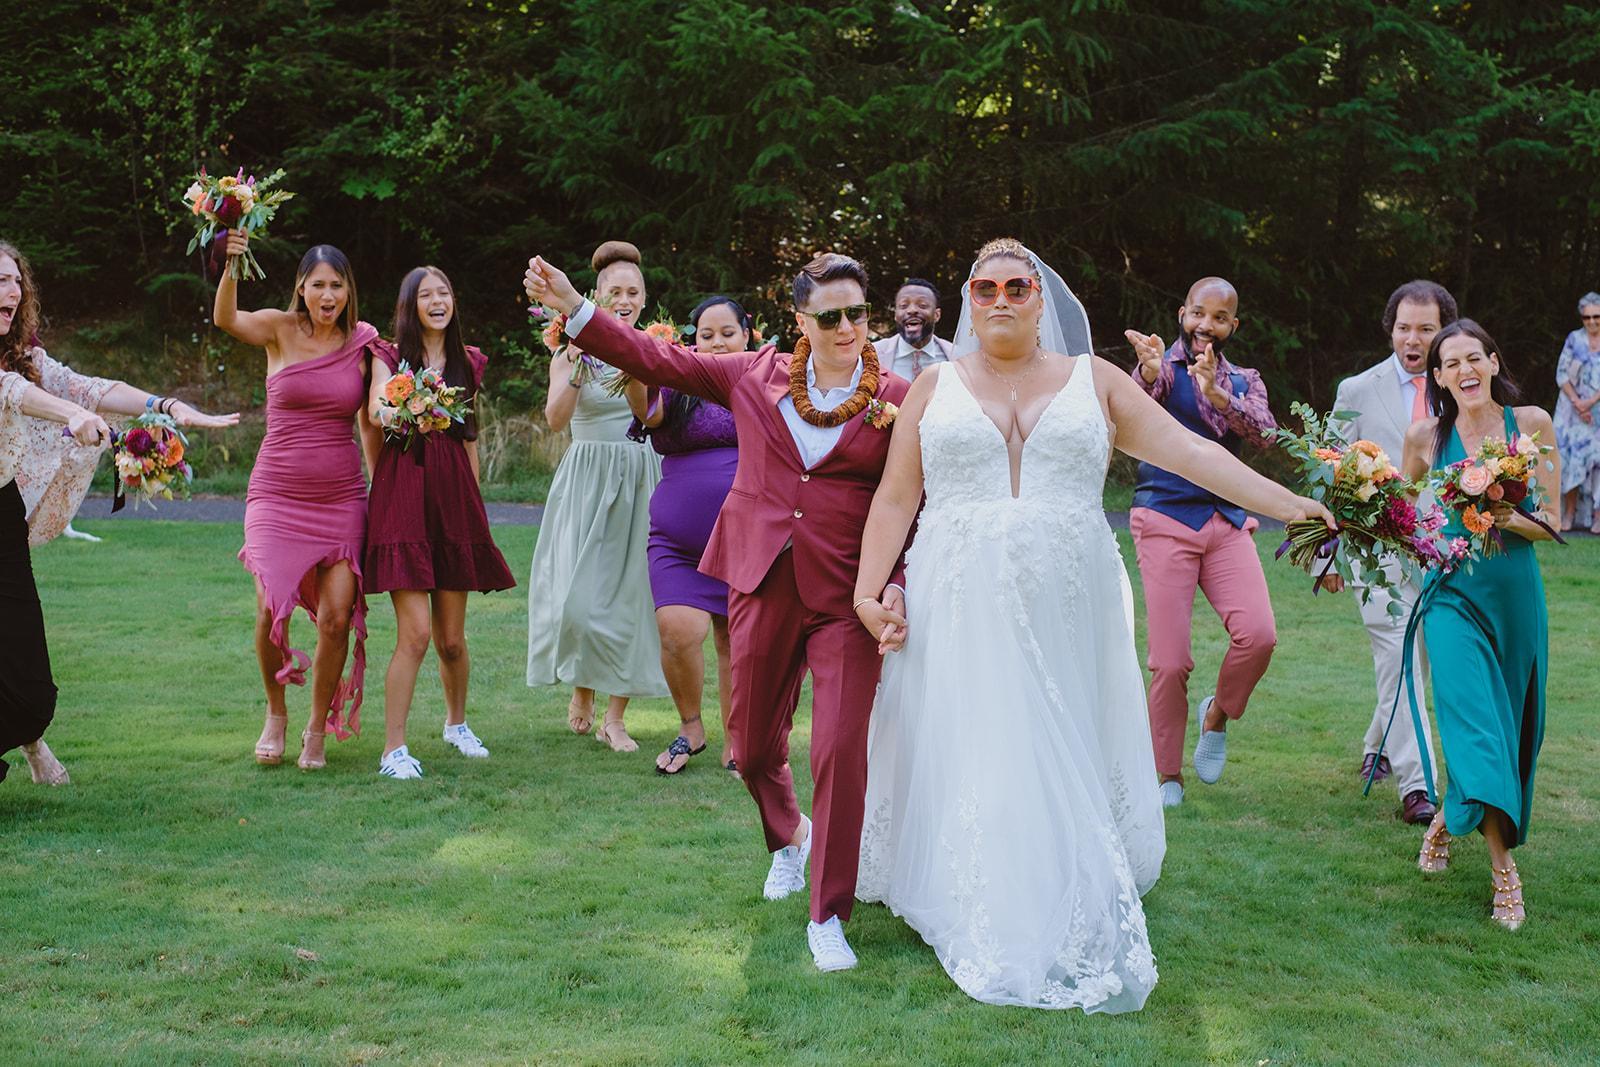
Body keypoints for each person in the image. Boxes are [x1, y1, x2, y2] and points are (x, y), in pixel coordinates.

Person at [852, 239, 1333, 1011]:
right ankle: (982, 883)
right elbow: (895, 496)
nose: (1001, 298)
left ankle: (1055, 868)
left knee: (1055, 724)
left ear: (1041, 297)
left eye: (1017, 286)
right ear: (969, 299)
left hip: (1066, 596)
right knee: (980, 731)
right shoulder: (933, 386)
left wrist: (1292, 504)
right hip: (959, 591)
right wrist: (868, 591)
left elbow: (1193, 452)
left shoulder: (1095, 381)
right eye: (985, 287)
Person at [525, 249, 914, 973]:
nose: (845, 328)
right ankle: (787, 836)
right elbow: (653, 357)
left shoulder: (898, 395)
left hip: (846, 597)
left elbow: (909, 498)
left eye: (857, 314)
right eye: (829, 316)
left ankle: (829, 912)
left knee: (838, 749)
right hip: (762, 582)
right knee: (753, 749)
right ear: (800, 320)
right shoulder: (753, 374)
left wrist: (897, 581)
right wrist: (576, 308)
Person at [0, 242, 237, 786]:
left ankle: (32, 735)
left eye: (14, 281)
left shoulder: (26, 359)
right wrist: (72, 414)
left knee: (33, 689)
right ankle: (32, 748)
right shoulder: (13, 376)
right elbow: (10, 394)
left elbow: (91, 388)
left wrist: (167, 406)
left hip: (1, 518)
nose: (10, 291)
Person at [1399, 319, 1556, 931]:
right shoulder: (1424, 436)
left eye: (1474, 358)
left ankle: (1447, 817)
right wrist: (1365, 507)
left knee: (1510, 731)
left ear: (1493, 362)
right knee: (1475, 725)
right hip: (1451, 597)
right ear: (1437, 377)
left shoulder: (1532, 424)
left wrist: (1501, 512)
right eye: (1451, 363)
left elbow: (1552, 523)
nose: (1464, 370)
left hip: (1514, 597)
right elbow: (1402, 511)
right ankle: (1503, 872)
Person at [216, 233, 381, 771]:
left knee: (335, 618)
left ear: (348, 290)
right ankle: (276, 712)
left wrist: (381, 487)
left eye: (337, 285)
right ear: (301, 289)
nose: (328, 295)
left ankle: (316, 728)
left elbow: (371, 421)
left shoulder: (364, 342)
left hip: (341, 497)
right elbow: (225, 318)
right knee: (270, 607)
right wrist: (232, 261)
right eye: (318, 285)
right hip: (277, 494)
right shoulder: (278, 329)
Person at [1123, 278, 1278, 808]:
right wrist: (1147, 372)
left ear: (1234, 325)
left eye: (1219, 318)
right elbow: (1131, 416)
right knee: (1170, 662)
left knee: (1259, 636)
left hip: (1226, 520)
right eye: (1198, 314)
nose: (1206, 326)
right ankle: (1166, 774)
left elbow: (1266, 434)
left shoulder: (1245, 380)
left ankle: (1217, 715)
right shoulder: (1160, 369)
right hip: (1164, 518)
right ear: (1181, 314)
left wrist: (1217, 394)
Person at [365, 266, 516, 780]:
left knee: (451, 639)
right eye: (426, 294)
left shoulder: (467, 362)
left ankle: (457, 725)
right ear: (409, 305)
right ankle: (393, 750)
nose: (437, 301)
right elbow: (376, 409)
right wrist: (402, 409)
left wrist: (475, 510)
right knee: (415, 635)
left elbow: (469, 436)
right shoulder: (387, 356)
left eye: (444, 292)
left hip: (453, 500)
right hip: (404, 496)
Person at [525, 240, 666, 752]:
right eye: (614, 292)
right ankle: (581, 688)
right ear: (595, 296)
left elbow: (654, 416)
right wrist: (578, 361)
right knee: (578, 598)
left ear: (644, 299)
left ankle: (616, 717)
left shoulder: (653, 349)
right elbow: (555, 420)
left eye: (633, 292)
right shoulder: (568, 350)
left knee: (633, 597)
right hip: (586, 478)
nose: (624, 300)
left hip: (639, 474)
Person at [1327, 280, 1454, 824]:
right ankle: (1418, 787)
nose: (1413, 339)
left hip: (1443, 549)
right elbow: (1330, 472)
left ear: (1443, 332)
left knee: (1415, 663)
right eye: (1404, 328)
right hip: (1376, 551)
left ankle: (1377, 745)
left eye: (1426, 329)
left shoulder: (1461, 385)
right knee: (1397, 660)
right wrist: (1327, 551)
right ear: (1390, 329)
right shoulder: (1358, 390)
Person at [623, 296, 753, 775]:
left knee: (736, 641)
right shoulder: (677, 381)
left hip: (746, 538)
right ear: (691, 340)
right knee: (678, 631)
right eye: (706, 335)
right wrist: (635, 367)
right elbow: (650, 414)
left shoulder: (764, 382)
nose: (716, 343)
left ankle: (738, 742)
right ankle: (691, 727)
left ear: (747, 335)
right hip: (677, 541)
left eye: (727, 333)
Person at [1553, 291, 1600, 532]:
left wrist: (1590, 402)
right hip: (1571, 411)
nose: (1592, 321)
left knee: (1597, 461)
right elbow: (1561, 374)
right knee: (1569, 460)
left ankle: (1597, 516)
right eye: (1587, 317)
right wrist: (1578, 403)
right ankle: (1569, 513)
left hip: (1596, 411)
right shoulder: (1574, 339)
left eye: (1596, 316)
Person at [875, 278, 955, 380]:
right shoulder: (874, 354)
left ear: (937, 315)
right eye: (903, 306)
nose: (912, 310)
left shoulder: (955, 356)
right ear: (895, 315)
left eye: (922, 305)